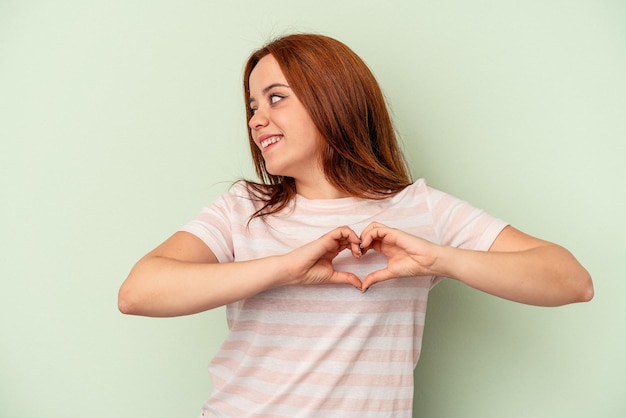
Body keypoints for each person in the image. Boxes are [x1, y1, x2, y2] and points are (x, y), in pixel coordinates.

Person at [118, 33, 593, 417]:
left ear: (333, 99)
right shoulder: (244, 208)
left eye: (275, 98)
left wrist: (439, 258)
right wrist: (285, 268)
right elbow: (138, 292)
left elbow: (571, 280)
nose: (257, 119)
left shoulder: (420, 211)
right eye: (252, 107)